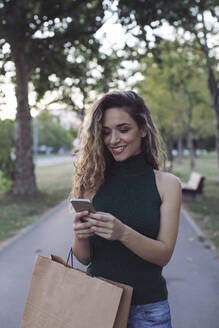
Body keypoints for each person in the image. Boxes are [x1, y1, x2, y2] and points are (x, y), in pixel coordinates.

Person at [71, 90, 181, 328]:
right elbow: (84, 257)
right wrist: (80, 236)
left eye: (123, 129)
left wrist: (122, 233)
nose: (113, 140)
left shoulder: (167, 184)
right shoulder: (91, 182)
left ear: (143, 129)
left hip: (149, 311)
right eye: (106, 132)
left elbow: (164, 255)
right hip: (98, 304)